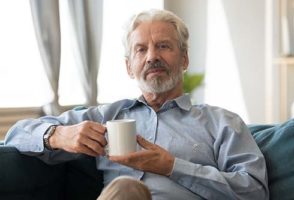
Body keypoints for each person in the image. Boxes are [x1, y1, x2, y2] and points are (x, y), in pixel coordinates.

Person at [4, 9, 269, 200]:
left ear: (185, 60)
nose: (152, 56)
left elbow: (255, 191)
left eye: (163, 46)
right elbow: (17, 135)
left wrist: (172, 166)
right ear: (129, 67)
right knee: (126, 190)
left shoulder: (222, 122)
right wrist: (58, 134)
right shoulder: (106, 116)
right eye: (141, 50)